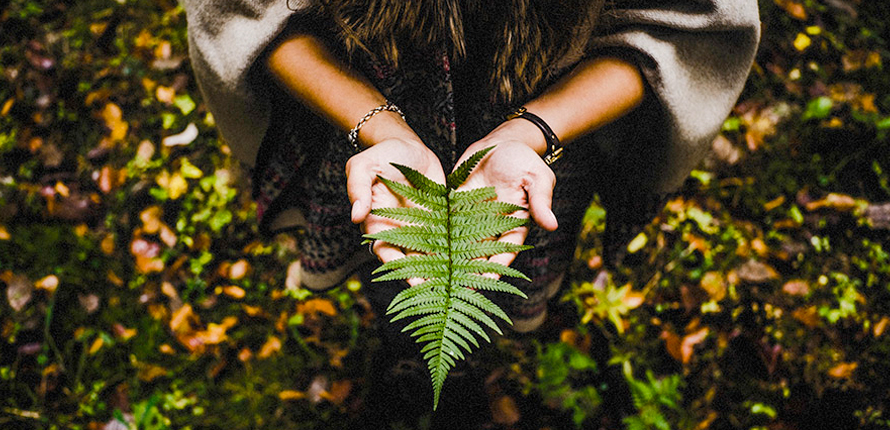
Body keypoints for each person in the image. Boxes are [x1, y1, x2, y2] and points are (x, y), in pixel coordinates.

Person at [184, 1, 760, 332]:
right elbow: (242, 11)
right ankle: (406, 339)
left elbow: (684, 28)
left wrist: (529, 130)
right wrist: (381, 127)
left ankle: (460, 356)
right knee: (383, 255)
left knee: (511, 265)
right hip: (355, 91)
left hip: (554, 109)